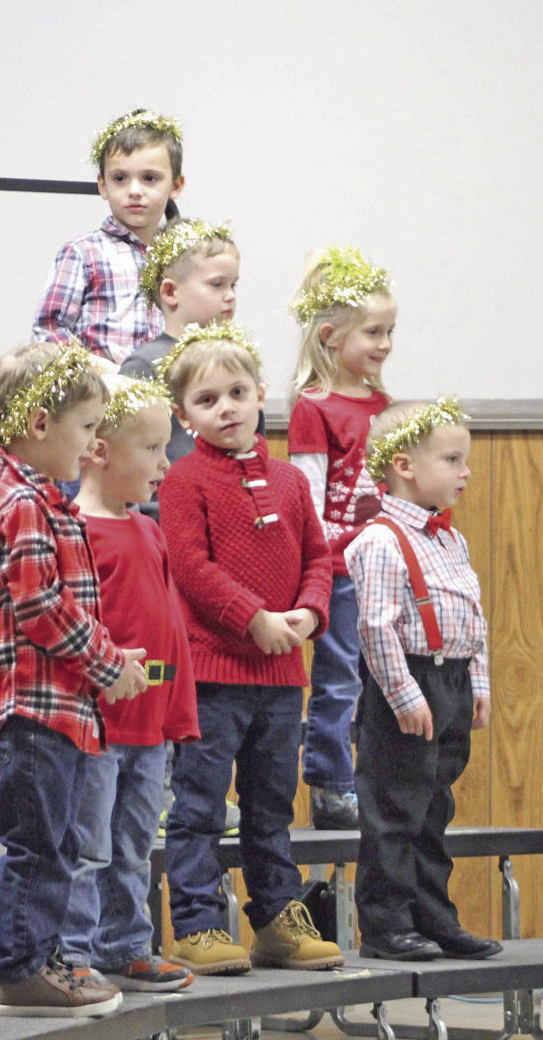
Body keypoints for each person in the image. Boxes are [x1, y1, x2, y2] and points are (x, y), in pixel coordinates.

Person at [0, 342, 148, 1017]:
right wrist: (109, 663)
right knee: (38, 845)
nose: (95, 444)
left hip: (57, 707)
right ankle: (19, 968)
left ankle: (49, 957)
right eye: (88, 427)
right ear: (40, 424)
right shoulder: (24, 502)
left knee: (61, 842)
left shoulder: (36, 496)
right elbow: (41, 608)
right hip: (30, 709)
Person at [155, 323, 341, 975]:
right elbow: (192, 568)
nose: (226, 408)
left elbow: (318, 558)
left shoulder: (290, 480)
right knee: (201, 806)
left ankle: (276, 917)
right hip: (213, 673)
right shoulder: (182, 480)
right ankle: (201, 924)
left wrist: (307, 613)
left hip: (283, 673)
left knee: (271, 804)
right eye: (207, 400)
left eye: (237, 392)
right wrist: (253, 617)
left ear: (261, 393)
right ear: (183, 414)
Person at [348, 399, 499, 962]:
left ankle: (434, 918)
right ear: (405, 465)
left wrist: (477, 684)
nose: (465, 472)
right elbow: (376, 627)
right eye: (453, 459)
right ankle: (386, 925)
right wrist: (403, 694)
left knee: (435, 810)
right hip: (405, 688)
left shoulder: (450, 539)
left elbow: (471, 619)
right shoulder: (381, 540)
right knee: (394, 812)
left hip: (451, 684)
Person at [63, 377, 199, 992]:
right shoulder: (76, 531)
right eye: (151, 449)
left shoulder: (149, 528)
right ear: (99, 452)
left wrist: (179, 713)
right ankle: (74, 954)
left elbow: (171, 630)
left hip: (149, 728)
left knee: (135, 846)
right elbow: (75, 631)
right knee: (89, 847)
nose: (164, 464)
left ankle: (127, 945)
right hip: (98, 726)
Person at [287, 246, 397, 829]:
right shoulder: (315, 408)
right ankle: (330, 781)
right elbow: (308, 495)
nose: (383, 343)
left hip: (381, 567)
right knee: (338, 679)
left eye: (389, 332)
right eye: (372, 332)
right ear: (330, 336)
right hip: (336, 569)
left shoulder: (385, 407)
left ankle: (370, 774)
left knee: (376, 678)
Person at [33, 109, 185, 365]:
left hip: (171, 395)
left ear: (176, 186)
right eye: (120, 179)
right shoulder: (83, 252)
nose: (134, 191)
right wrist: (101, 372)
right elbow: (48, 334)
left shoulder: (186, 258)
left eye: (150, 178)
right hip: (100, 394)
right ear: (103, 185)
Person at [120, 218, 241, 466]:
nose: (230, 296)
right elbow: (126, 455)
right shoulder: (144, 366)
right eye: (217, 284)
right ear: (170, 292)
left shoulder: (237, 360)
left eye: (233, 285)